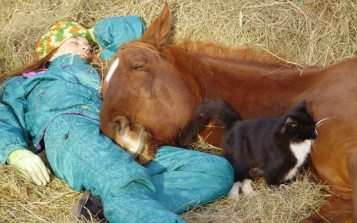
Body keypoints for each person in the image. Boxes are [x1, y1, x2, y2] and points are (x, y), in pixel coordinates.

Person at [0, 16, 234, 222]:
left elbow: (129, 29)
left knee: (216, 170)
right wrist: (14, 151)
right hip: (71, 129)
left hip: (120, 134)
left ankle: (112, 205)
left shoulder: (108, 67)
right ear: (49, 55)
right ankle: (125, 197)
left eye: (88, 45)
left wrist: (90, 32)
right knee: (125, 178)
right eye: (73, 42)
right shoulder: (26, 81)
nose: (85, 48)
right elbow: (4, 114)